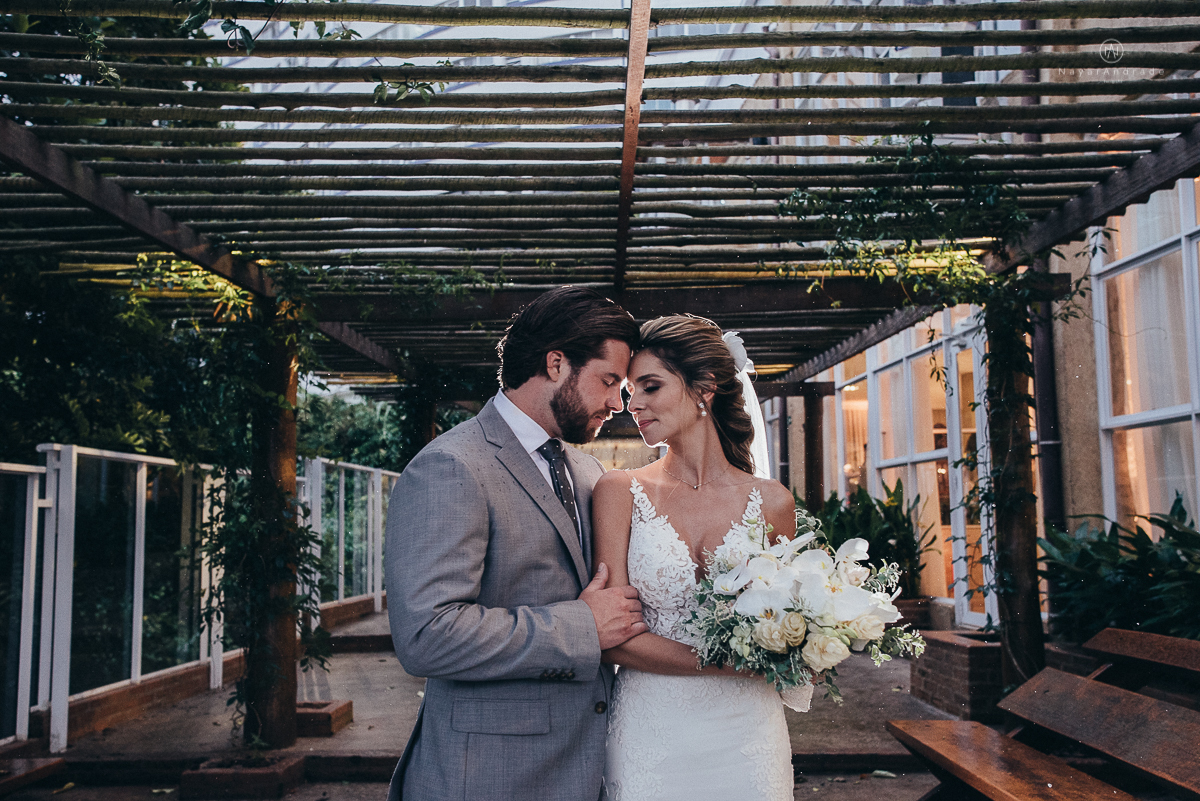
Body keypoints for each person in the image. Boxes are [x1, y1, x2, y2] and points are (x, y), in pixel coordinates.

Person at [385, 287, 647, 801]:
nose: (619, 403)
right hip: (487, 776)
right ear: (555, 364)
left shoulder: (588, 470)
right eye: (609, 380)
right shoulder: (453, 466)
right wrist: (581, 625)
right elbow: (426, 635)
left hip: (587, 766)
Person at [593, 315, 797, 801]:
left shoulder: (773, 503)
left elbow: (790, 630)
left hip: (748, 733)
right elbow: (612, 639)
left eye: (649, 386)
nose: (632, 403)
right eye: (628, 389)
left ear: (704, 389)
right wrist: (729, 663)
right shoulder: (619, 491)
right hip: (652, 728)